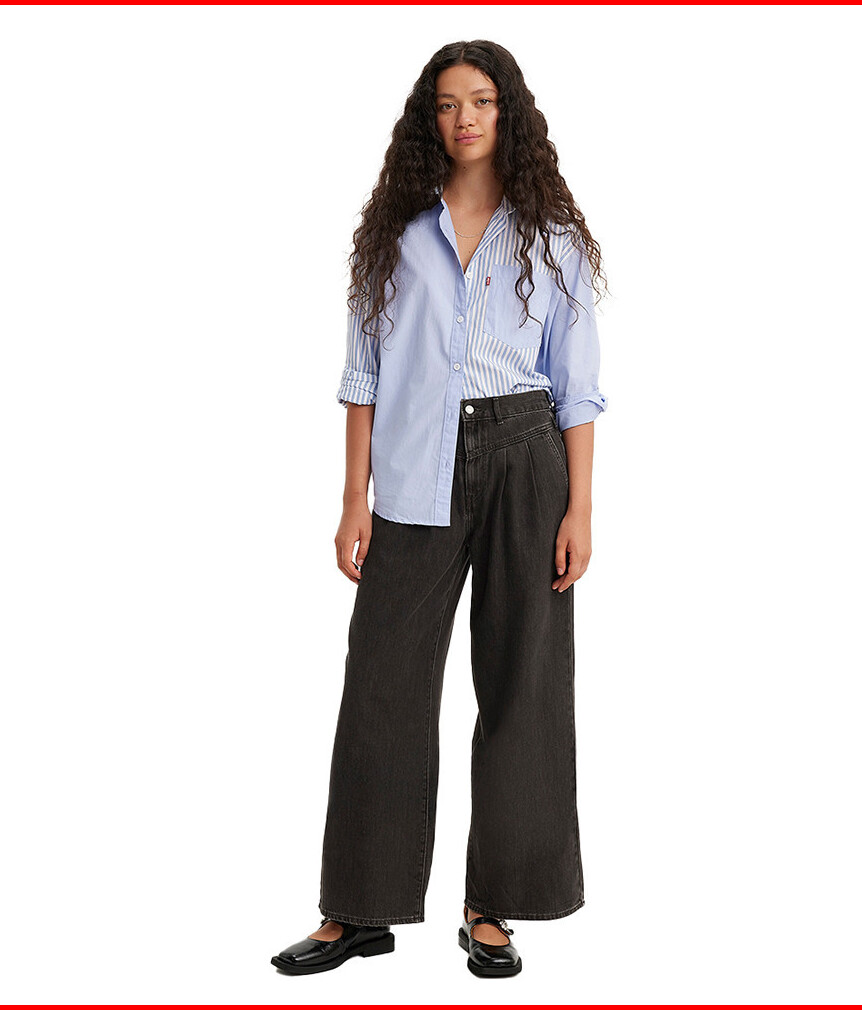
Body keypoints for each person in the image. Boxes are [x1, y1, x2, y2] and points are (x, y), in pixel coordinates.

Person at [271, 39, 607, 979]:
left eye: (483, 101)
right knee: (382, 682)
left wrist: (581, 507)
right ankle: (357, 909)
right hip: (414, 466)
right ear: (432, 118)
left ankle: (493, 905)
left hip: (525, 455)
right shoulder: (395, 231)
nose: (466, 118)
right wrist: (354, 498)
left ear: (509, 112)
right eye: (450, 103)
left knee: (522, 683)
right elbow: (364, 373)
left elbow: (578, 385)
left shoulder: (551, 233)